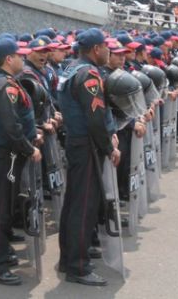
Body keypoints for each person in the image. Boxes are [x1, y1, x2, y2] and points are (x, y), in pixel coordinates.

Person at [57, 28, 121, 286]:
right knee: (84, 206)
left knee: (73, 203)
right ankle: (78, 267)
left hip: (76, 142)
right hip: (86, 145)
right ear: (96, 49)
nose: (109, 51)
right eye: (106, 46)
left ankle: (69, 258)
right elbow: (95, 119)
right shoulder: (89, 75)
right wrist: (109, 147)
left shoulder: (71, 68)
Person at [0, 37, 40, 286]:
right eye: (19, 56)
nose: (23, 60)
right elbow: (11, 126)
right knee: (0, 209)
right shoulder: (4, 85)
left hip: (0, 152)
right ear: (9, 59)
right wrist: (29, 147)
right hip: (7, 154)